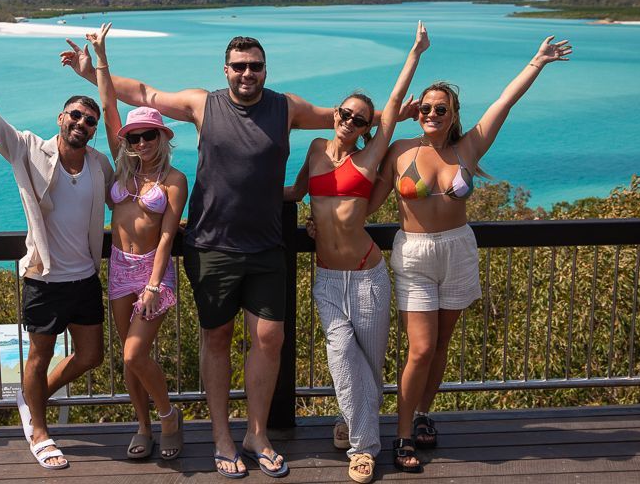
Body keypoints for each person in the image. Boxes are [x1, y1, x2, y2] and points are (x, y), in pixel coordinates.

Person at [61, 34, 417, 478]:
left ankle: (256, 434)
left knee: (270, 339)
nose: (248, 73)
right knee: (217, 339)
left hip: (267, 246)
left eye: (256, 66)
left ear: (265, 69)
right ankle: (222, 437)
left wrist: (396, 115)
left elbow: (340, 115)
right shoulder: (203, 104)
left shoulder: (285, 107)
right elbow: (144, 93)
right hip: (212, 246)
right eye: (240, 66)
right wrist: (92, 72)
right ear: (226, 70)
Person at [367, 35, 572, 472]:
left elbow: (505, 101)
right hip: (414, 255)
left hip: (458, 250)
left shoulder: (469, 147)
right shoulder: (400, 150)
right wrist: (328, 221)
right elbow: (369, 202)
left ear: (453, 114)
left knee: (440, 345)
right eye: (425, 108)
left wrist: (537, 62)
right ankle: (402, 434)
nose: (431, 114)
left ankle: (423, 415)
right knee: (420, 350)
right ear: (416, 113)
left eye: (440, 109)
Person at [0, 27, 113, 470]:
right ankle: (39, 433)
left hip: (85, 279)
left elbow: (128, 195)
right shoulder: (29, 149)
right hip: (45, 279)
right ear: (61, 118)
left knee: (91, 355)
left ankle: (31, 398)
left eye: (90, 121)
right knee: (38, 356)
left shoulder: (100, 165)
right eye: (75, 116)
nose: (82, 123)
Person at [285, 22, 429, 483]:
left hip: (367, 275)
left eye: (360, 120)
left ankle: (351, 422)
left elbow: (394, 104)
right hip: (328, 277)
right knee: (342, 355)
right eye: (345, 113)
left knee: (366, 362)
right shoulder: (313, 149)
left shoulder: (368, 158)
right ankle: (364, 448)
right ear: (336, 114)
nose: (350, 122)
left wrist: (415, 52)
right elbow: (295, 194)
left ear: (368, 127)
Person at [81, 23, 189, 460]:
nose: (141, 142)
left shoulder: (175, 180)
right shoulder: (124, 167)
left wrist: (154, 284)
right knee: (128, 356)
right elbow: (109, 108)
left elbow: (167, 236)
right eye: (134, 137)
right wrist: (101, 60)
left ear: (162, 137)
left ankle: (168, 417)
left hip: (151, 273)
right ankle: (143, 426)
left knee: (133, 354)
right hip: (118, 268)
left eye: (149, 135)